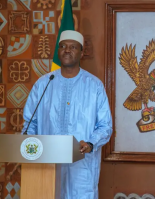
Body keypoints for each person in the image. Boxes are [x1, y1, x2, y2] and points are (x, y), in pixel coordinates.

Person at [22, 30, 113, 199]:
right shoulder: (43, 84)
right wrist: (29, 147)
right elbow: (29, 123)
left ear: (82, 52)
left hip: (81, 165)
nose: (67, 50)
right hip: (46, 165)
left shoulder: (94, 86)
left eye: (73, 47)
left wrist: (91, 143)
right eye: (63, 46)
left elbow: (105, 125)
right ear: (58, 51)